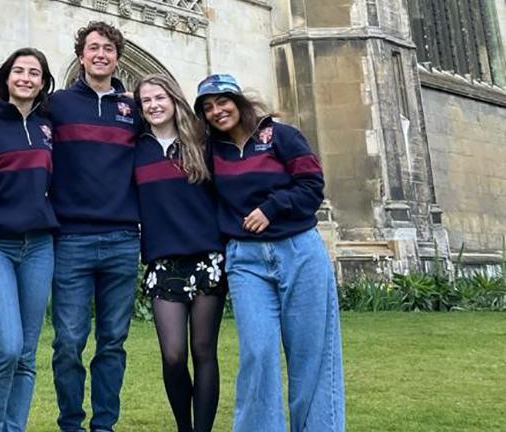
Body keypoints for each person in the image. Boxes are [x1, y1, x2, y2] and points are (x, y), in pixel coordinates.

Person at [194, 74, 345, 432]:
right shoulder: (211, 151)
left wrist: (272, 208)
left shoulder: (280, 136)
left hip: (299, 250)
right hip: (246, 261)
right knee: (257, 353)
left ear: (239, 101)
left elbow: (312, 185)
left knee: (312, 355)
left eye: (222, 101)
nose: (217, 111)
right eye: (208, 107)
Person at [47, 21, 142, 432]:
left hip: (123, 239)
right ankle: (71, 423)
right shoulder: (58, 104)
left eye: (108, 48)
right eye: (93, 48)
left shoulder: (133, 109)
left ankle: (104, 425)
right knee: (68, 342)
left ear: (117, 56)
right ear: (81, 55)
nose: (100, 54)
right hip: (72, 239)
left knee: (113, 341)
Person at [0, 48, 58, 432]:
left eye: (34, 72)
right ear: (6, 78)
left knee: (26, 354)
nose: (26, 77)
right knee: (6, 345)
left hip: (39, 246)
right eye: (18, 71)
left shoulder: (47, 128)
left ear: (42, 82)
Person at [132, 74, 227, 432]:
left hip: (207, 258)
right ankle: (183, 426)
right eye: (146, 101)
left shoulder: (202, 144)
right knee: (173, 355)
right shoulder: (136, 148)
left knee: (204, 352)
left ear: (174, 100)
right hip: (162, 261)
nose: (154, 105)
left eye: (160, 97)